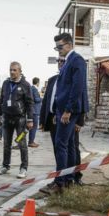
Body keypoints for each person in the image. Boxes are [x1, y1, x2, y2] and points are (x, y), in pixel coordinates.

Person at [47, 33, 89, 194]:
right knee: (69, 146)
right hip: (63, 110)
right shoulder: (68, 62)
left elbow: (77, 88)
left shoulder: (76, 60)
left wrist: (68, 111)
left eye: (60, 46)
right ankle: (69, 178)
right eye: (56, 47)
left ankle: (60, 182)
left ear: (70, 45)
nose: (58, 50)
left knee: (61, 145)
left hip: (68, 111)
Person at [39, 57, 84, 191]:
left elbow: (79, 99)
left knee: (72, 149)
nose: (60, 63)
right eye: (58, 61)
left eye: (63, 61)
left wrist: (79, 121)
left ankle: (73, 177)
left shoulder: (73, 79)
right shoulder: (53, 79)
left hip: (69, 118)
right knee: (59, 149)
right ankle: (62, 179)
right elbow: (47, 100)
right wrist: (43, 120)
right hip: (54, 119)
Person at [0, 62, 34, 179]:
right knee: (6, 144)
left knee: (21, 144)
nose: (12, 72)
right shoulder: (6, 83)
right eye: (10, 70)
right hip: (7, 119)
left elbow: (30, 103)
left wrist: (30, 119)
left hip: (20, 120)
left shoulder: (26, 85)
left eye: (14, 70)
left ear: (20, 71)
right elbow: (2, 99)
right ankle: (5, 166)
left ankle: (23, 167)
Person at [28, 77, 42, 148]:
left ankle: (19, 140)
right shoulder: (34, 89)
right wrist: (42, 98)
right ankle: (31, 142)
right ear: (37, 82)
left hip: (32, 110)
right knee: (34, 126)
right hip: (34, 111)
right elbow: (36, 99)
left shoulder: (31, 88)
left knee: (28, 127)